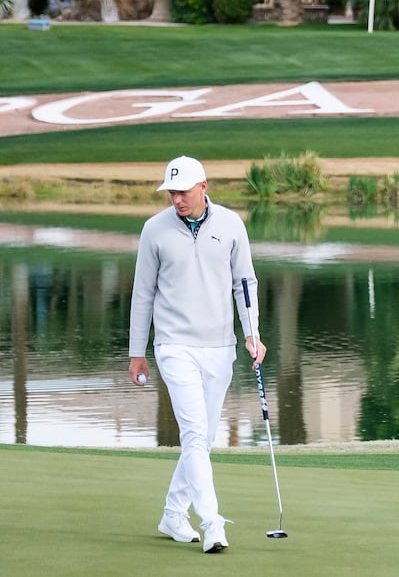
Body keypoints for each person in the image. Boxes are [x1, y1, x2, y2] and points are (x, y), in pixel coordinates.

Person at [129, 155, 266, 553]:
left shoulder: (231, 225)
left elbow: (245, 282)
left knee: (201, 439)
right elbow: (142, 294)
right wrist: (138, 351)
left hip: (220, 346)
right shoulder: (154, 230)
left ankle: (173, 514)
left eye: (183, 191)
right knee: (193, 433)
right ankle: (212, 523)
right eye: (171, 192)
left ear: (203, 187)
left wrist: (252, 333)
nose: (176, 200)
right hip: (174, 345)